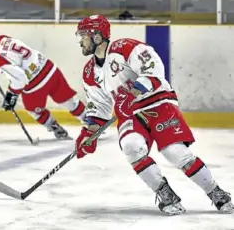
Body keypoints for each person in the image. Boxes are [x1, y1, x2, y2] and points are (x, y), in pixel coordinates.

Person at [74, 15, 233, 215]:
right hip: (129, 115)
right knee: (132, 147)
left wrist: (138, 88)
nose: (80, 40)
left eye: (84, 35)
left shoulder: (124, 47)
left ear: (97, 37)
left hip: (157, 103)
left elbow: (153, 67)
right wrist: (89, 132)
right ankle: (165, 192)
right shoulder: (89, 72)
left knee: (175, 152)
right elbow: (99, 106)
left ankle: (215, 191)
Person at [0, 27, 86, 139]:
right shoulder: (3, 38)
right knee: (67, 100)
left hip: (35, 84)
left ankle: (57, 129)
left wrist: (11, 96)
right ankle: (91, 121)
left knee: (34, 110)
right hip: (50, 69)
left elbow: (19, 79)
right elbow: (8, 53)